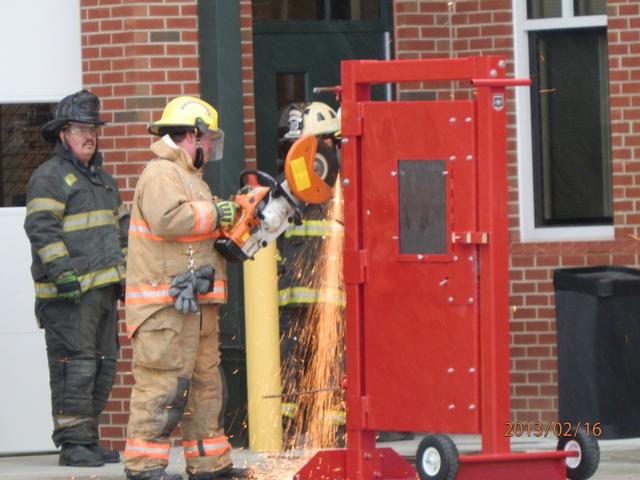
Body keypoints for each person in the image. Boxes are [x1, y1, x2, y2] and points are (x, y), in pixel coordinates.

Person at [123, 96, 253, 480]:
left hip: (194, 310)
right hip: (165, 310)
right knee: (162, 388)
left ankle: (209, 464)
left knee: (205, 388)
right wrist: (218, 213)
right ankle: (144, 468)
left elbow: (197, 236)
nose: (210, 147)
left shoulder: (191, 179)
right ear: (191, 136)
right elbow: (168, 220)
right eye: (207, 139)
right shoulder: (161, 173)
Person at [24, 90, 128, 467]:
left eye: (93, 128)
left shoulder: (104, 181)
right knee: (75, 367)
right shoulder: (49, 178)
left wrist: (126, 277)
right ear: (62, 134)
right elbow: (41, 230)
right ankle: (72, 445)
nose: (90, 135)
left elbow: (121, 233)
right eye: (81, 128)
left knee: (103, 366)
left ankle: (87, 438)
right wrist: (64, 274)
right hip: (68, 296)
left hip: (102, 292)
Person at [276, 102, 346, 448]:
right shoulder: (286, 188)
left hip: (335, 305)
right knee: (291, 372)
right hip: (295, 303)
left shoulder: (346, 188)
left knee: (334, 373)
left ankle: (334, 433)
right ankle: (286, 431)